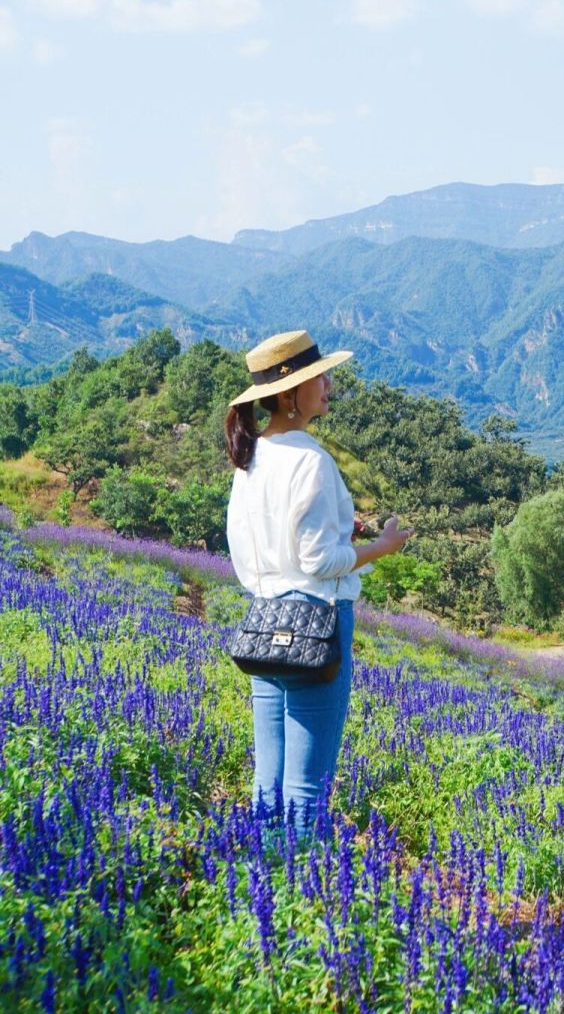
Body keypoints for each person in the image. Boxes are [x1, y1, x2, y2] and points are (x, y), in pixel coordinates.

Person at [224, 329, 413, 832]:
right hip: (314, 625)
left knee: (269, 780)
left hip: (264, 621)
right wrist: (380, 547)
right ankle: (301, 895)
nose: (328, 383)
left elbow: (247, 551)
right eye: (318, 377)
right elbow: (318, 560)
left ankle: (260, 888)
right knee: (307, 787)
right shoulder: (311, 459)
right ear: (289, 394)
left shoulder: (249, 460)